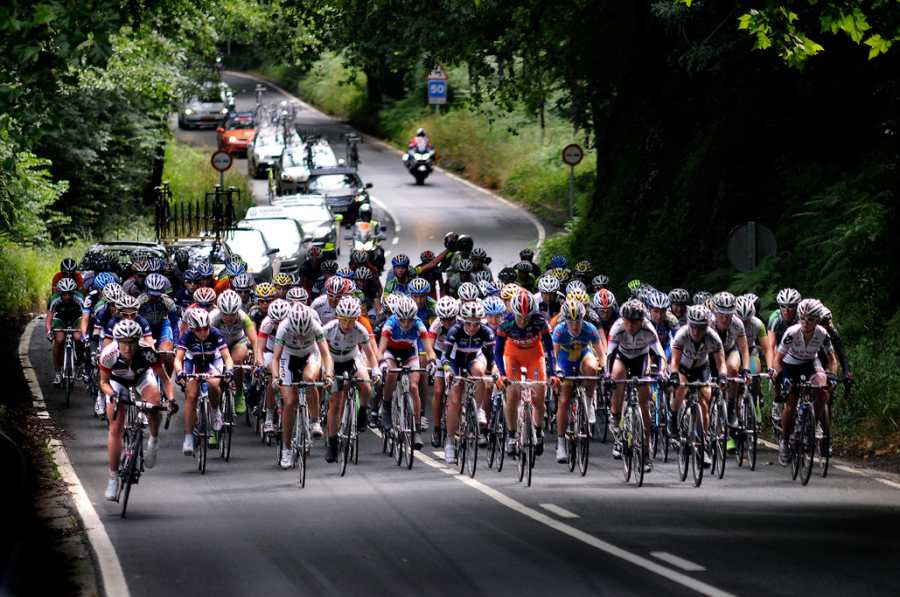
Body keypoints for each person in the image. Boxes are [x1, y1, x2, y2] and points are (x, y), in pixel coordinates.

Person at [98, 319, 174, 500]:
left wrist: (171, 400)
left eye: (132, 343)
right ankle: (113, 477)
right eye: (124, 343)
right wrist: (113, 396)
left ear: (138, 341)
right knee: (115, 427)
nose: (128, 348)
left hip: (141, 378)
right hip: (117, 382)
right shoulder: (109, 355)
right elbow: (103, 382)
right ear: (117, 342)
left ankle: (153, 440)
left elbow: (165, 380)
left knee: (154, 401)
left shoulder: (147, 352)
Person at [772, 298, 837, 466]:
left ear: (817, 320)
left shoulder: (822, 333)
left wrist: (832, 376)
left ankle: (812, 423)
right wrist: (780, 378)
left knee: (822, 389)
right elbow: (778, 360)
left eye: (810, 319)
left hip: (810, 364)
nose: (805, 323)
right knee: (791, 402)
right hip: (790, 365)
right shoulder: (792, 332)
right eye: (802, 318)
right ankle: (785, 442)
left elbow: (832, 359)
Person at [270, 304, 333, 469]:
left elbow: (326, 355)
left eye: (303, 332)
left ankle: (315, 421)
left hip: (310, 353)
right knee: (290, 402)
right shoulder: (283, 327)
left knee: (309, 378)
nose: (300, 335)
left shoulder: (315, 326)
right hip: (288, 356)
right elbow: (275, 358)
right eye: (297, 332)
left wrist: (328, 375)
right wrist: (276, 377)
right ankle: (286, 449)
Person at [606, 299, 667, 469]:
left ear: (642, 321)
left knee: (644, 405)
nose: (630, 325)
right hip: (622, 358)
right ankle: (615, 414)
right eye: (627, 321)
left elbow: (660, 354)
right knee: (617, 375)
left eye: (634, 322)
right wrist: (607, 376)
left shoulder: (648, 328)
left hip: (641, 359)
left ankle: (646, 453)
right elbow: (609, 355)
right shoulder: (617, 327)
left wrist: (662, 372)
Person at [495, 290, 554, 456]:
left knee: (539, 396)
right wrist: (502, 374)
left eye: (526, 317)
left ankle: (538, 429)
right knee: (512, 395)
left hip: (535, 355)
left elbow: (549, 349)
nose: (522, 320)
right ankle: (512, 436)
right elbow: (498, 353)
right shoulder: (505, 324)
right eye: (519, 316)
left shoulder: (540, 322)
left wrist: (553, 373)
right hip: (512, 355)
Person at [322, 296, 380, 462]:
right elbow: (320, 351)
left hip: (351, 358)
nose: (347, 325)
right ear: (338, 317)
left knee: (366, 385)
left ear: (356, 319)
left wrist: (375, 370)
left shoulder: (360, 330)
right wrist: (326, 372)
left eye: (351, 321)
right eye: (344, 320)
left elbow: (369, 354)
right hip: (332, 360)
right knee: (335, 402)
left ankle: (362, 411)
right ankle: (332, 444)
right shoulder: (328, 328)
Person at [668, 304, 728, 465]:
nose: (696, 332)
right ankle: (673, 420)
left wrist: (722, 376)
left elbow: (721, 362)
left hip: (702, 367)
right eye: (693, 327)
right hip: (682, 366)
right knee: (681, 386)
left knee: (705, 399)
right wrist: (673, 374)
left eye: (700, 328)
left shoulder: (713, 337)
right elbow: (674, 360)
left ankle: (703, 442)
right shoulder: (681, 334)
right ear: (689, 324)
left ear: (706, 326)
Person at [551, 298, 607, 463]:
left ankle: (589, 403)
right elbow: (553, 356)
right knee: (564, 400)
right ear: (565, 320)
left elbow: (601, 354)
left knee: (592, 368)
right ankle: (561, 444)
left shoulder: (590, 329)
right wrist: (557, 372)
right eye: (570, 321)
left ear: (583, 319)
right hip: (565, 361)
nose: (574, 325)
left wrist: (603, 368)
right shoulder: (560, 330)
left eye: (578, 321)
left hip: (583, 356)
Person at [378, 295, 436, 449]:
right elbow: (380, 350)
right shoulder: (389, 324)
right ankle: (387, 407)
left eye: (409, 320)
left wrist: (431, 362)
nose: (406, 324)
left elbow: (430, 351)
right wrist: (382, 363)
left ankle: (416, 429)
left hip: (410, 353)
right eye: (402, 320)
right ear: (396, 317)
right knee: (392, 373)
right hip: (391, 352)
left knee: (414, 387)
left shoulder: (419, 324)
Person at [173, 308, 234, 456]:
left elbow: (227, 357)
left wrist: (229, 370)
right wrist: (180, 372)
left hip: (212, 361)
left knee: (214, 383)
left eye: (205, 328)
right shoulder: (187, 335)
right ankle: (188, 437)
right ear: (193, 329)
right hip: (193, 361)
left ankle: (214, 411)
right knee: (191, 395)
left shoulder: (215, 333)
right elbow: (178, 359)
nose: (203, 332)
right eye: (199, 329)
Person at [442, 300, 496, 464]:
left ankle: (478, 409)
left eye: (476, 324)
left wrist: (494, 370)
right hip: (455, 362)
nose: (472, 328)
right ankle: (450, 442)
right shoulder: (455, 330)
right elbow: (445, 356)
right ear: (462, 321)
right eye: (469, 324)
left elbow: (492, 358)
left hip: (474, 359)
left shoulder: (486, 332)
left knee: (479, 374)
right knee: (455, 399)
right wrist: (447, 371)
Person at [209, 290, 258, 415]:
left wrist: (257, 359)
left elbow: (254, 341)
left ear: (237, 311)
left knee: (237, 360)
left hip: (238, 341)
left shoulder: (243, 317)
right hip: (219, 344)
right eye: (225, 314)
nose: (229, 318)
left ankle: (239, 394)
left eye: (232, 314)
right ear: (220, 311)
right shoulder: (213, 318)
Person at [428, 296, 460, 447]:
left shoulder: (461, 322)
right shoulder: (436, 325)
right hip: (441, 353)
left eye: (451, 319)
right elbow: (429, 346)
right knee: (438, 390)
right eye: (444, 319)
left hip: (456, 354)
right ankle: (436, 428)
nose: (447, 322)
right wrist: (432, 360)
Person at [46, 278, 86, 385]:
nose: (67, 296)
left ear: (74, 293)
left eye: (70, 294)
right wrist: (49, 331)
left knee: (78, 337)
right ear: (60, 293)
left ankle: (80, 363)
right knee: (59, 340)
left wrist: (85, 332)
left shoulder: (80, 298)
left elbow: (85, 317)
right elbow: (49, 318)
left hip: (76, 317)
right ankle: (58, 372)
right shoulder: (54, 299)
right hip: (60, 317)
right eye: (64, 294)